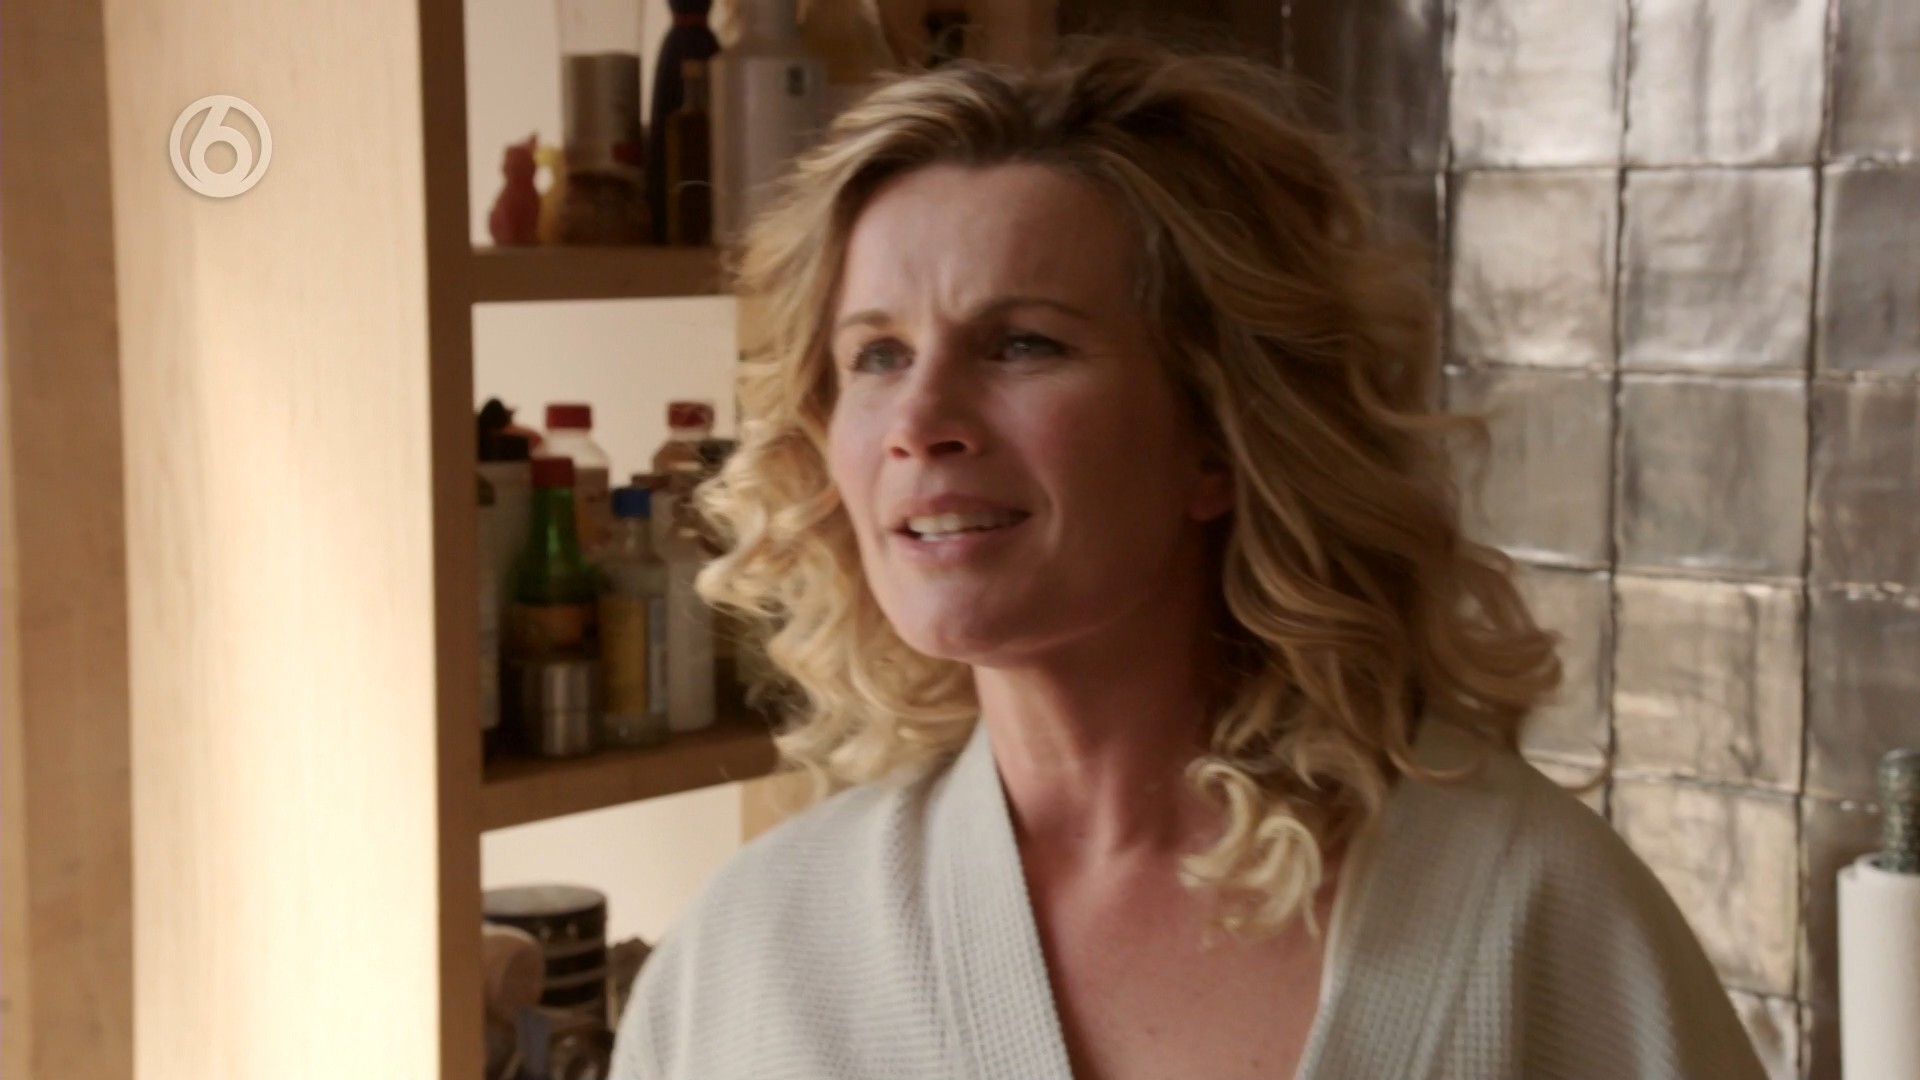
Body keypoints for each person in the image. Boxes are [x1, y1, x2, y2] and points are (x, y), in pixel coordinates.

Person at [610, 37, 1766, 1080]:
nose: (919, 421)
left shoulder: (1530, 917)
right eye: (876, 355)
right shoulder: (753, 955)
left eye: (1022, 344)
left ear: (1215, 435)